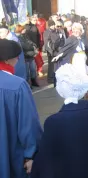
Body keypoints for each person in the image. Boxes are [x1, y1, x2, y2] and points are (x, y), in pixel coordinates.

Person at [0, 39, 42, 178]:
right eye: (16, 56)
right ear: (7, 60)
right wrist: (32, 154)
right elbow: (28, 125)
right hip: (10, 156)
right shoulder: (17, 85)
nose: (18, 58)